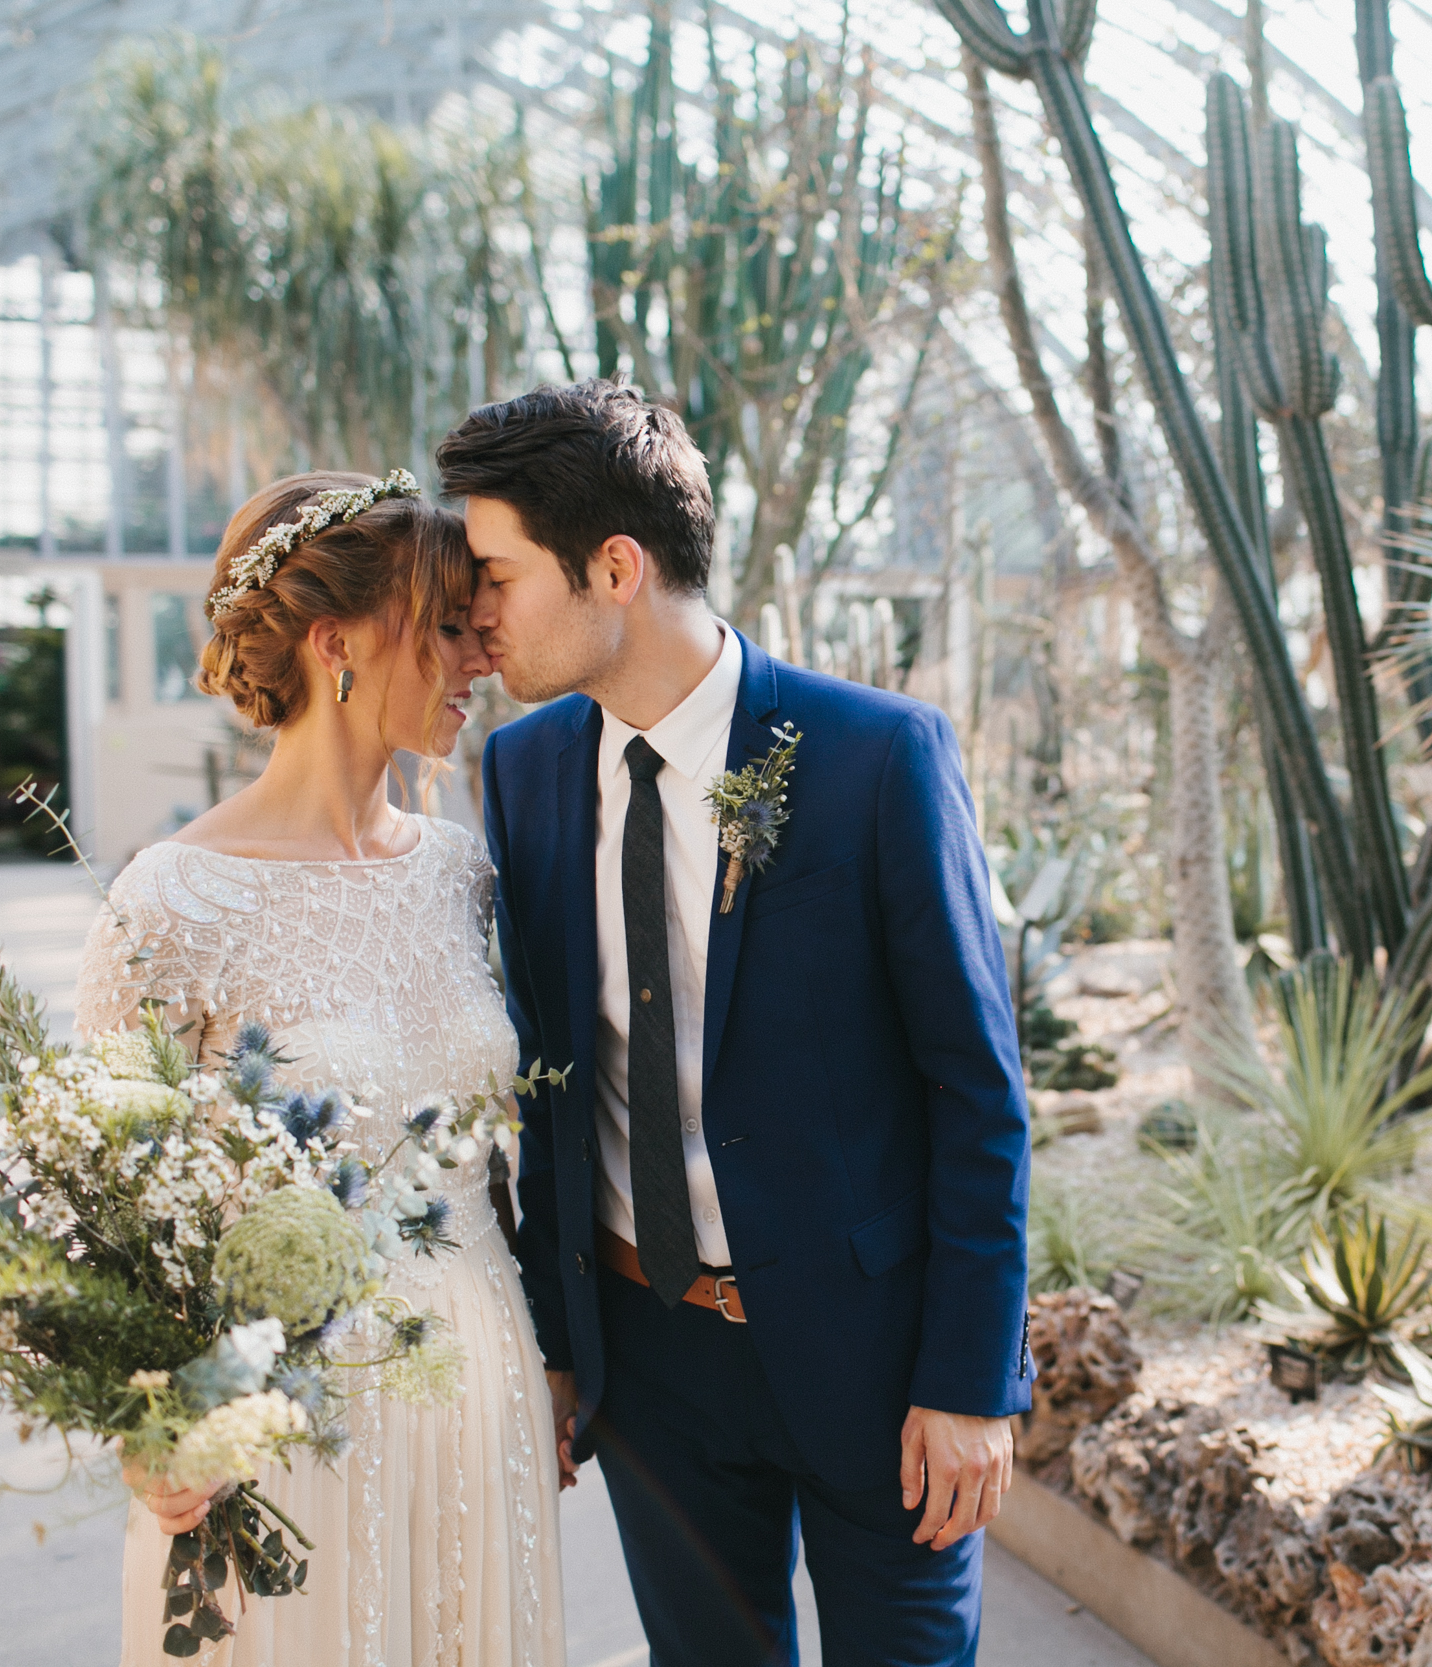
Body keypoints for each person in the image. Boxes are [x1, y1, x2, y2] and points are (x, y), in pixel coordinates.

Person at [443, 380, 1033, 1667]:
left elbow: (975, 1089)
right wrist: (560, 1344)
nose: (474, 613)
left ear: (612, 566)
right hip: (648, 1361)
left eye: (494, 572)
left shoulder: (877, 755)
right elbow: (553, 1088)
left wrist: (970, 1379)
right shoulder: (525, 773)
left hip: (879, 1366)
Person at [75, 472, 567, 1667]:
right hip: (288, 1421)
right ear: (335, 639)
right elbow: (102, 1204)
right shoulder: (171, 902)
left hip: (483, 1386)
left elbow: (513, 1149)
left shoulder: (463, 875)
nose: (479, 656)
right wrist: (144, 1414)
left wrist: (554, 1354)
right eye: (445, 624)